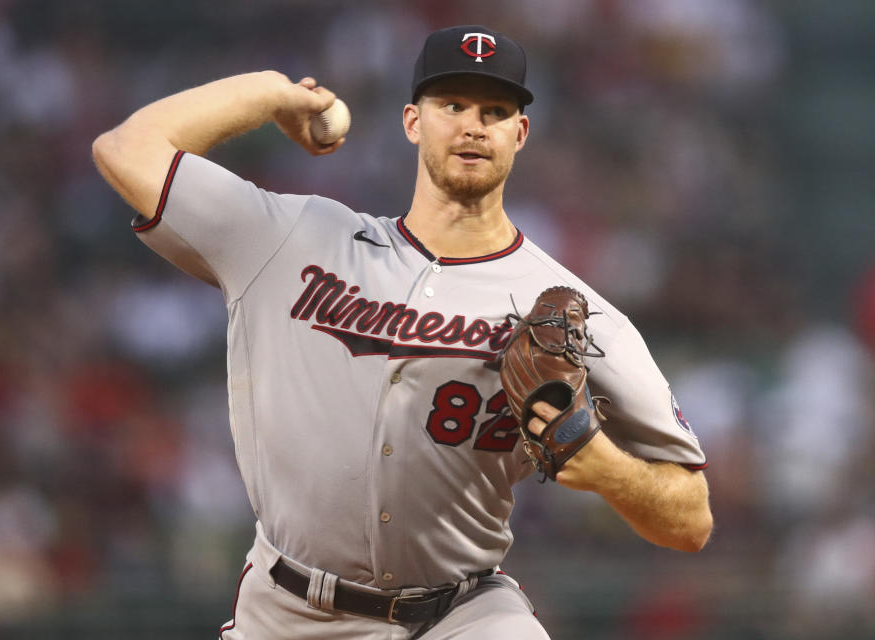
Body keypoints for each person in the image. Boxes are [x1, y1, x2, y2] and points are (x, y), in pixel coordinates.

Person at [92, 24, 712, 640]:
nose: (473, 125)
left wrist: (606, 467)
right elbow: (126, 150)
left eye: (495, 111)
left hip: (461, 614)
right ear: (413, 121)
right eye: (452, 105)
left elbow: (692, 520)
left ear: (519, 135)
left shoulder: (578, 312)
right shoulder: (295, 238)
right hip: (287, 611)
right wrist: (270, 93)